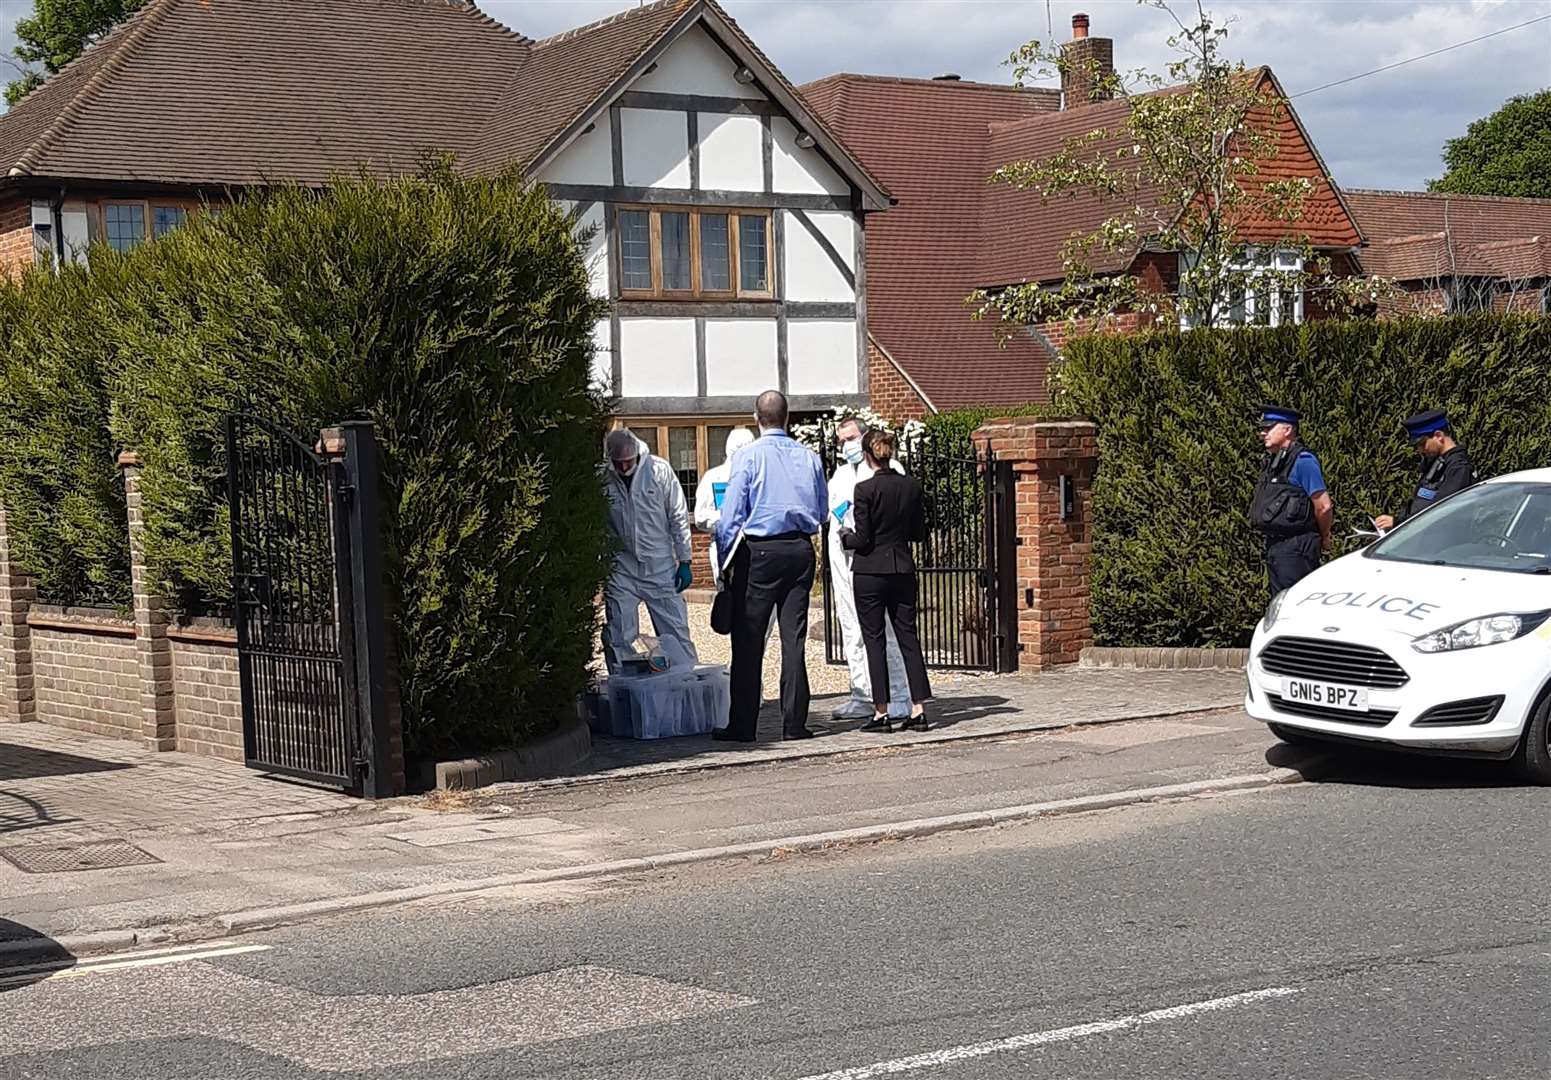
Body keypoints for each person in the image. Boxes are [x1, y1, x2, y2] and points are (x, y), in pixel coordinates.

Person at [713, 390, 828, 742]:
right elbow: (822, 512)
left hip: (760, 551)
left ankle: (743, 726)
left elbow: (730, 518)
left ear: (756, 417)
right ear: (787, 417)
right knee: (793, 639)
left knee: (749, 639)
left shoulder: (747, 458)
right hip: (799, 548)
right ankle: (794, 724)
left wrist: (723, 562)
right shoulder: (809, 457)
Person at [841, 429, 932, 732]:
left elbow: (863, 538)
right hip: (902, 567)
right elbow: (919, 532)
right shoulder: (911, 487)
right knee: (909, 637)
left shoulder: (864, 490)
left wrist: (846, 538)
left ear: (867, 456)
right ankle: (918, 708)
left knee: (874, 640)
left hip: (870, 571)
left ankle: (881, 711)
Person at [827, 416, 912, 722]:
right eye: (841, 440)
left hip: (875, 561)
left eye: (850, 438)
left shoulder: (890, 471)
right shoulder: (838, 476)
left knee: (886, 630)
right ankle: (863, 693)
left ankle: (899, 695)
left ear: (865, 440)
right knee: (852, 627)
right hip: (845, 560)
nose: (845, 445)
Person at [600, 427, 696, 673]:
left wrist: (684, 559)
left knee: (675, 633)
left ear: (637, 454)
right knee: (619, 634)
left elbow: (677, 515)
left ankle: (686, 684)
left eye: (627, 462)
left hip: (660, 565)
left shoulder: (658, 471)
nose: (623, 468)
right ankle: (626, 687)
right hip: (621, 566)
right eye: (618, 463)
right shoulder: (602, 477)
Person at [1249, 405, 1333, 594]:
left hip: (1297, 546)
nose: (1263, 433)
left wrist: (1324, 536)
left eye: (1269, 428)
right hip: (1276, 545)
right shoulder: (1274, 462)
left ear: (1287, 430)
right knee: (1280, 602)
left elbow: (1324, 506)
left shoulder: (1303, 461)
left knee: (1297, 602)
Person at [1373, 409, 1477, 532]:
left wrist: (1398, 522)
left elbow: (1441, 510)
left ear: (1438, 436)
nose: (1420, 450)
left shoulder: (1458, 467)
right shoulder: (1436, 462)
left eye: (1422, 444)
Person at [693, 426, 757, 583]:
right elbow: (700, 517)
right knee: (728, 597)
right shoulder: (713, 477)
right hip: (724, 547)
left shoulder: (760, 476)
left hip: (756, 547)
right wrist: (727, 520)